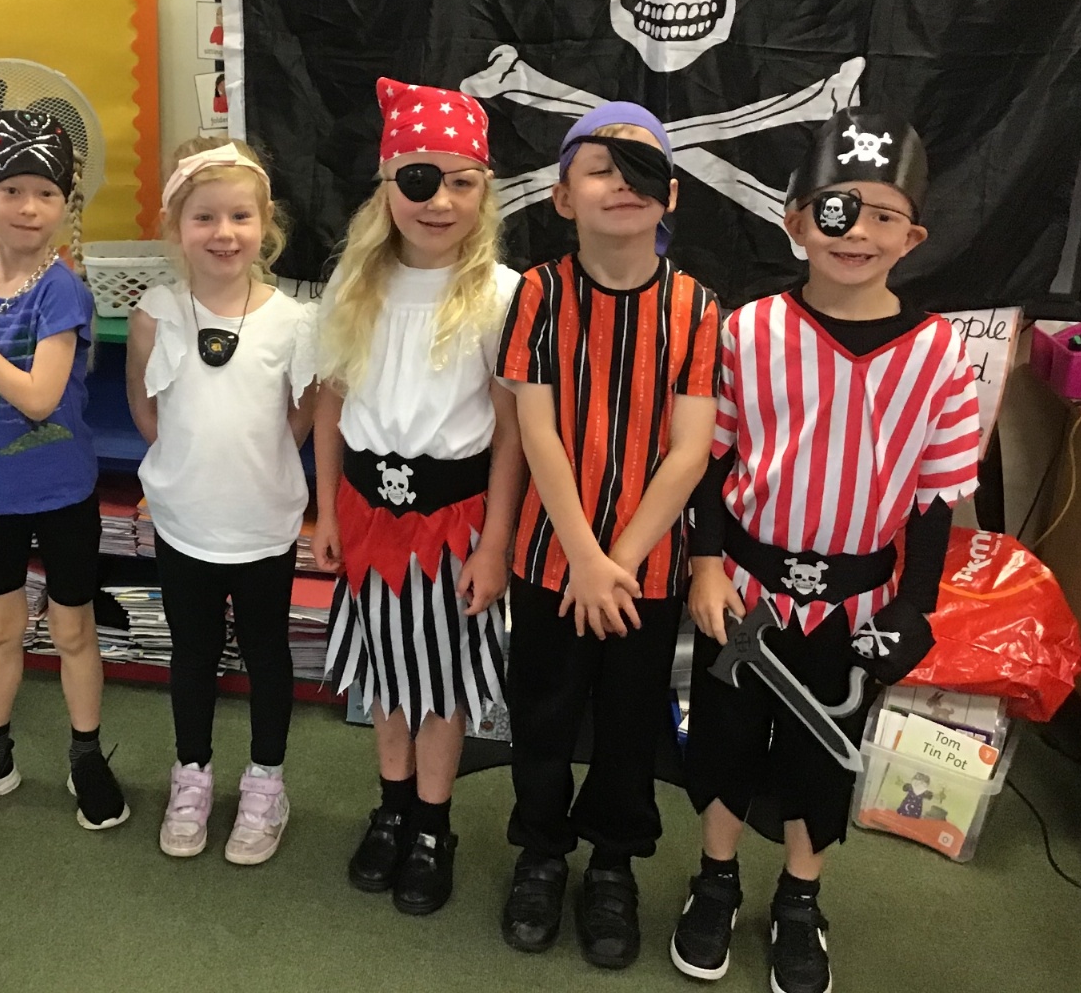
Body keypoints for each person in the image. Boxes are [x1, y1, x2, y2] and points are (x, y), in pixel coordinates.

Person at [672, 108, 979, 993]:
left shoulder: (939, 354)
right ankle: (716, 877)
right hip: (747, 589)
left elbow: (933, 499)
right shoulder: (748, 331)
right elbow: (711, 460)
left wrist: (914, 605)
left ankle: (800, 895)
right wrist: (703, 565)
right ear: (796, 222)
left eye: (884, 215)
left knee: (822, 751)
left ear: (912, 238)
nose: (858, 232)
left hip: (855, 601)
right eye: (837, 210)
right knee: (728, 738)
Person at [495, 105, 719, 968]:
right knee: (542, 712)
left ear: (672, 195)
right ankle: (541, 851)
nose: (622, 185)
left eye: (642, 170)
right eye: (600, 170)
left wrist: (617, 563)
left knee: (630, 723)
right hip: (551, 559)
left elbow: (691, 449)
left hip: (645, 573)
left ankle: (615, 863)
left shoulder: (697, 307)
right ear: (562, 197)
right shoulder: (539, 295)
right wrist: (583, 559)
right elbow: (537, 431)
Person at [316, 77, 525, 916]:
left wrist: (495, 543)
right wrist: (325, 509)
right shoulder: (353, 283)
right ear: (386, 188)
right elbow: (329, 404)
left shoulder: (503, 295)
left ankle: (434, 825)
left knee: (442, 680)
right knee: (385, 674)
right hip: (368, 515)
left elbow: (511, 434)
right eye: (418, 180)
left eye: (459, 182)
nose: (438, 201)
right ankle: (393, 808)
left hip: (454, 522)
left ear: (484, 190)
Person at [0, 109, 128, 832]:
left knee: (73, 631)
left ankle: (86, 755)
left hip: (62, 492)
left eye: (46, 192)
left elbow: (39, 398)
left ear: (65, 203)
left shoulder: (60, 290)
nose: (29, 207)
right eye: (12, 191)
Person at [126, 138, 316, 865]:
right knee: (193, 652)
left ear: (266, 224)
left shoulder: (294, 322)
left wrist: (250, 471)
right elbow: (147, 411)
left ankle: (266, 782)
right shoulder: (155, 313)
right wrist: (189, 468)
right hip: (185, 524)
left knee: (268, 653)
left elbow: (297, 419)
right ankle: (192, 775)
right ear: (176, 227)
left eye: (240, 216)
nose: (223, 233)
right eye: (204, 217)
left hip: (262, 525)